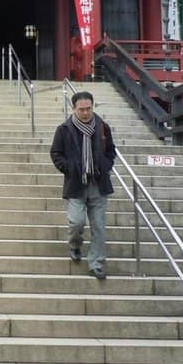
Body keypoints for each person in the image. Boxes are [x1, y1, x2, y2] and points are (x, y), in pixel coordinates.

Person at [49, 91, 116, 279]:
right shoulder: (64, 129)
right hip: (76, 184)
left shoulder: (102, 127)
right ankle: (75, 244)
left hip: (98, 183)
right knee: (77, 222)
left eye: (89, 109)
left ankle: (96, 263)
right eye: (81, 110)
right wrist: (69, 168)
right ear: (73, 109)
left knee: (99, 226)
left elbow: (111, 151)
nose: (86, 113)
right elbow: (56, 153)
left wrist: (106, 165)